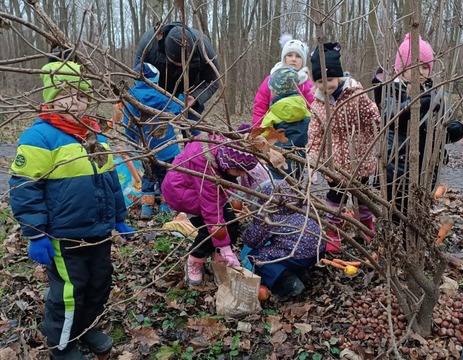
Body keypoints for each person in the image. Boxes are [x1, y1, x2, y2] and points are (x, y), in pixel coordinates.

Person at [9, 61, 134, 359]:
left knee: (99, 284)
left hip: (99, 231)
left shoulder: (94, 135)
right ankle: (61, 345)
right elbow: (24, 189)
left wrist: (119, 218)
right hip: (65, 236)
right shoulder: (39, 138)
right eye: (65, 94)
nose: (74, 101)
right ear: (50, 98)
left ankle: (84, 328)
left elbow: (110, 180)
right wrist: (36, 234)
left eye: (80, 95)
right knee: (69, 292)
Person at [308, 42, 381, 252]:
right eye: (320, 81)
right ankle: (334, 231)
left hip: (360, 157)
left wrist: (376, 120)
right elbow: (314, 135)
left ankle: (366, 226)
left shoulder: (356, 94)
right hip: (335, 163)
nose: (325, 85)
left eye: (329, 79)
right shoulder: (317, 104)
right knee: (334, 198)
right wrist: (312, 163)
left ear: (339, 76)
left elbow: (373, 117)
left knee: (362, 197)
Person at [161, 130, 259, 286]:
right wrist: (225, 247)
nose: (241, 175)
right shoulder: (207, 169)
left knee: (231, 226)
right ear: (226, 163)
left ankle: (218, 255)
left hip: (210, 193)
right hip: (185, 195)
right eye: (238, 171)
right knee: (208, 230)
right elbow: (211, 212)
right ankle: (195, 259)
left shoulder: (223, 152)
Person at [382, 33, 463, 219]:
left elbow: (446, 120)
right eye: (413, 66)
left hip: (425, 170)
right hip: (397, 171)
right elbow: (392, 119)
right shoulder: (391, 91)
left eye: (425, 67)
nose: (420, 71)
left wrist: (454, 129)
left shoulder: (434, 94)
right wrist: (415, 105)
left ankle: (416, 245)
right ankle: (397, 244)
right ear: (401, 68)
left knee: (419, 213)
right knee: (397, 215)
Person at [241, 180, 325, 301]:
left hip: (299, 255)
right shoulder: (300, 208)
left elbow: (252, 241)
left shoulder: (270, 217)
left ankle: (290, 284)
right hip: (319, 250)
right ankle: (301, 273)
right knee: (289, 247)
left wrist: (250, 229)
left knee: (256, 257)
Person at [123, 62, 184, 219]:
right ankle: (165, 207)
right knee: (166, 177)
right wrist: (182, 98)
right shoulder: (160, 96)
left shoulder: (130, 98)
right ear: (155, 79)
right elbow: (176, 110)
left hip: (144, 148)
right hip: (166, 148)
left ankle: (147, 208)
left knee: (148, 176)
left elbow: (127, 124)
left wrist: (133, 143)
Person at [135, 22, 220, 133]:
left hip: (190, 96)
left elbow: (213, 81)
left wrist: (195, 97)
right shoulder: (149, 44)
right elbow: (139, 80)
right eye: (175, 63)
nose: (180, 66)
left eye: (184, 63)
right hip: (158, 95)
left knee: (192, 134)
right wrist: (155, 101)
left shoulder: (203, 47)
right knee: (156, 135)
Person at [252, 34, 314, 128]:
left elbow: (313, 111)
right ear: (284, 58)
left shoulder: (307, 85)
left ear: (303, 60)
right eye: (289, 55)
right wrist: (258, 132)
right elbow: (260, 107)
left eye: (298, 56)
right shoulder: (271, 80)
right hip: (271, 131)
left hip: (299, 135)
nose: (293, 59)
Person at [260, 66, 311, 179]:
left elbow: (262, 135)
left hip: (277, 157)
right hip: (299, 157)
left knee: (277, 183)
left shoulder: (273, 113)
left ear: (276, 92)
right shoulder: (305, 111)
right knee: (295, 182)